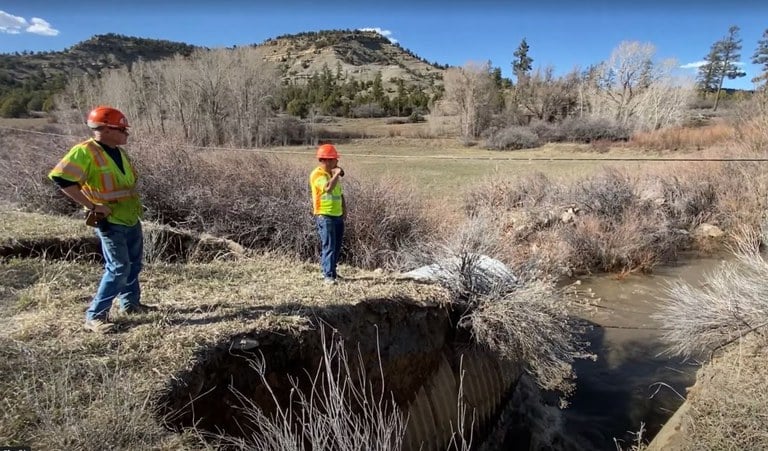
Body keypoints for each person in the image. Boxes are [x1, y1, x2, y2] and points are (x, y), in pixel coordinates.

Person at [49, 106, 154, 333]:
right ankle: (95, 316)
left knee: (134, 265)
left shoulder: (118, 151)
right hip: (110, 221)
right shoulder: (85, 151)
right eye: (121, 129)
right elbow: (61, 178)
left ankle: (130, 304)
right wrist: (92, 206)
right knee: (118, 268)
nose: (126, 133)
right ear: (104, 129)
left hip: (130, 217)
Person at [309, 143, 346, 285]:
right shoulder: (318, 175)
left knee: (336, 246)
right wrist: (337, 173)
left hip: (337, 215)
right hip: (325, 215)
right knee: (329, 246)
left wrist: (344, 209)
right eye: (335, 159)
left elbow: (340, 194)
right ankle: (328, 275)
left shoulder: (332, 175)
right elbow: (328, 188)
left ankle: (332, 271)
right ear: (327, 160)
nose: (337, 162)